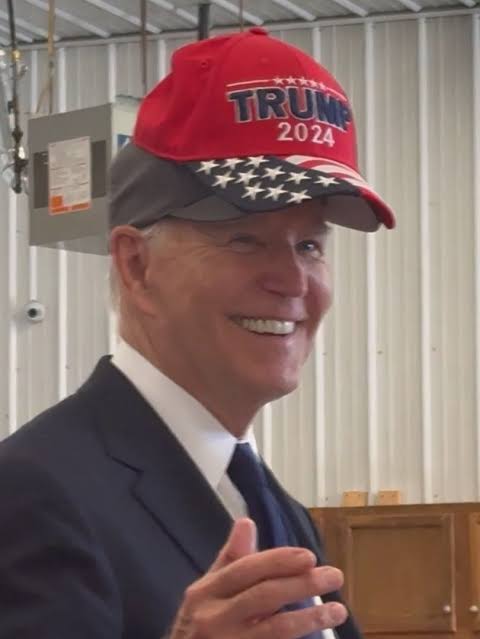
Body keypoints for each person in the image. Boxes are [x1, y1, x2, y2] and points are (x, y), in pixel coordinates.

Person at [0, 27, 395, 639]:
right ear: (137, 265)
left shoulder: (273, 508)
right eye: (244, 239)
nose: (293, 280)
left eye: (310, 245)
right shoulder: (30, 494)